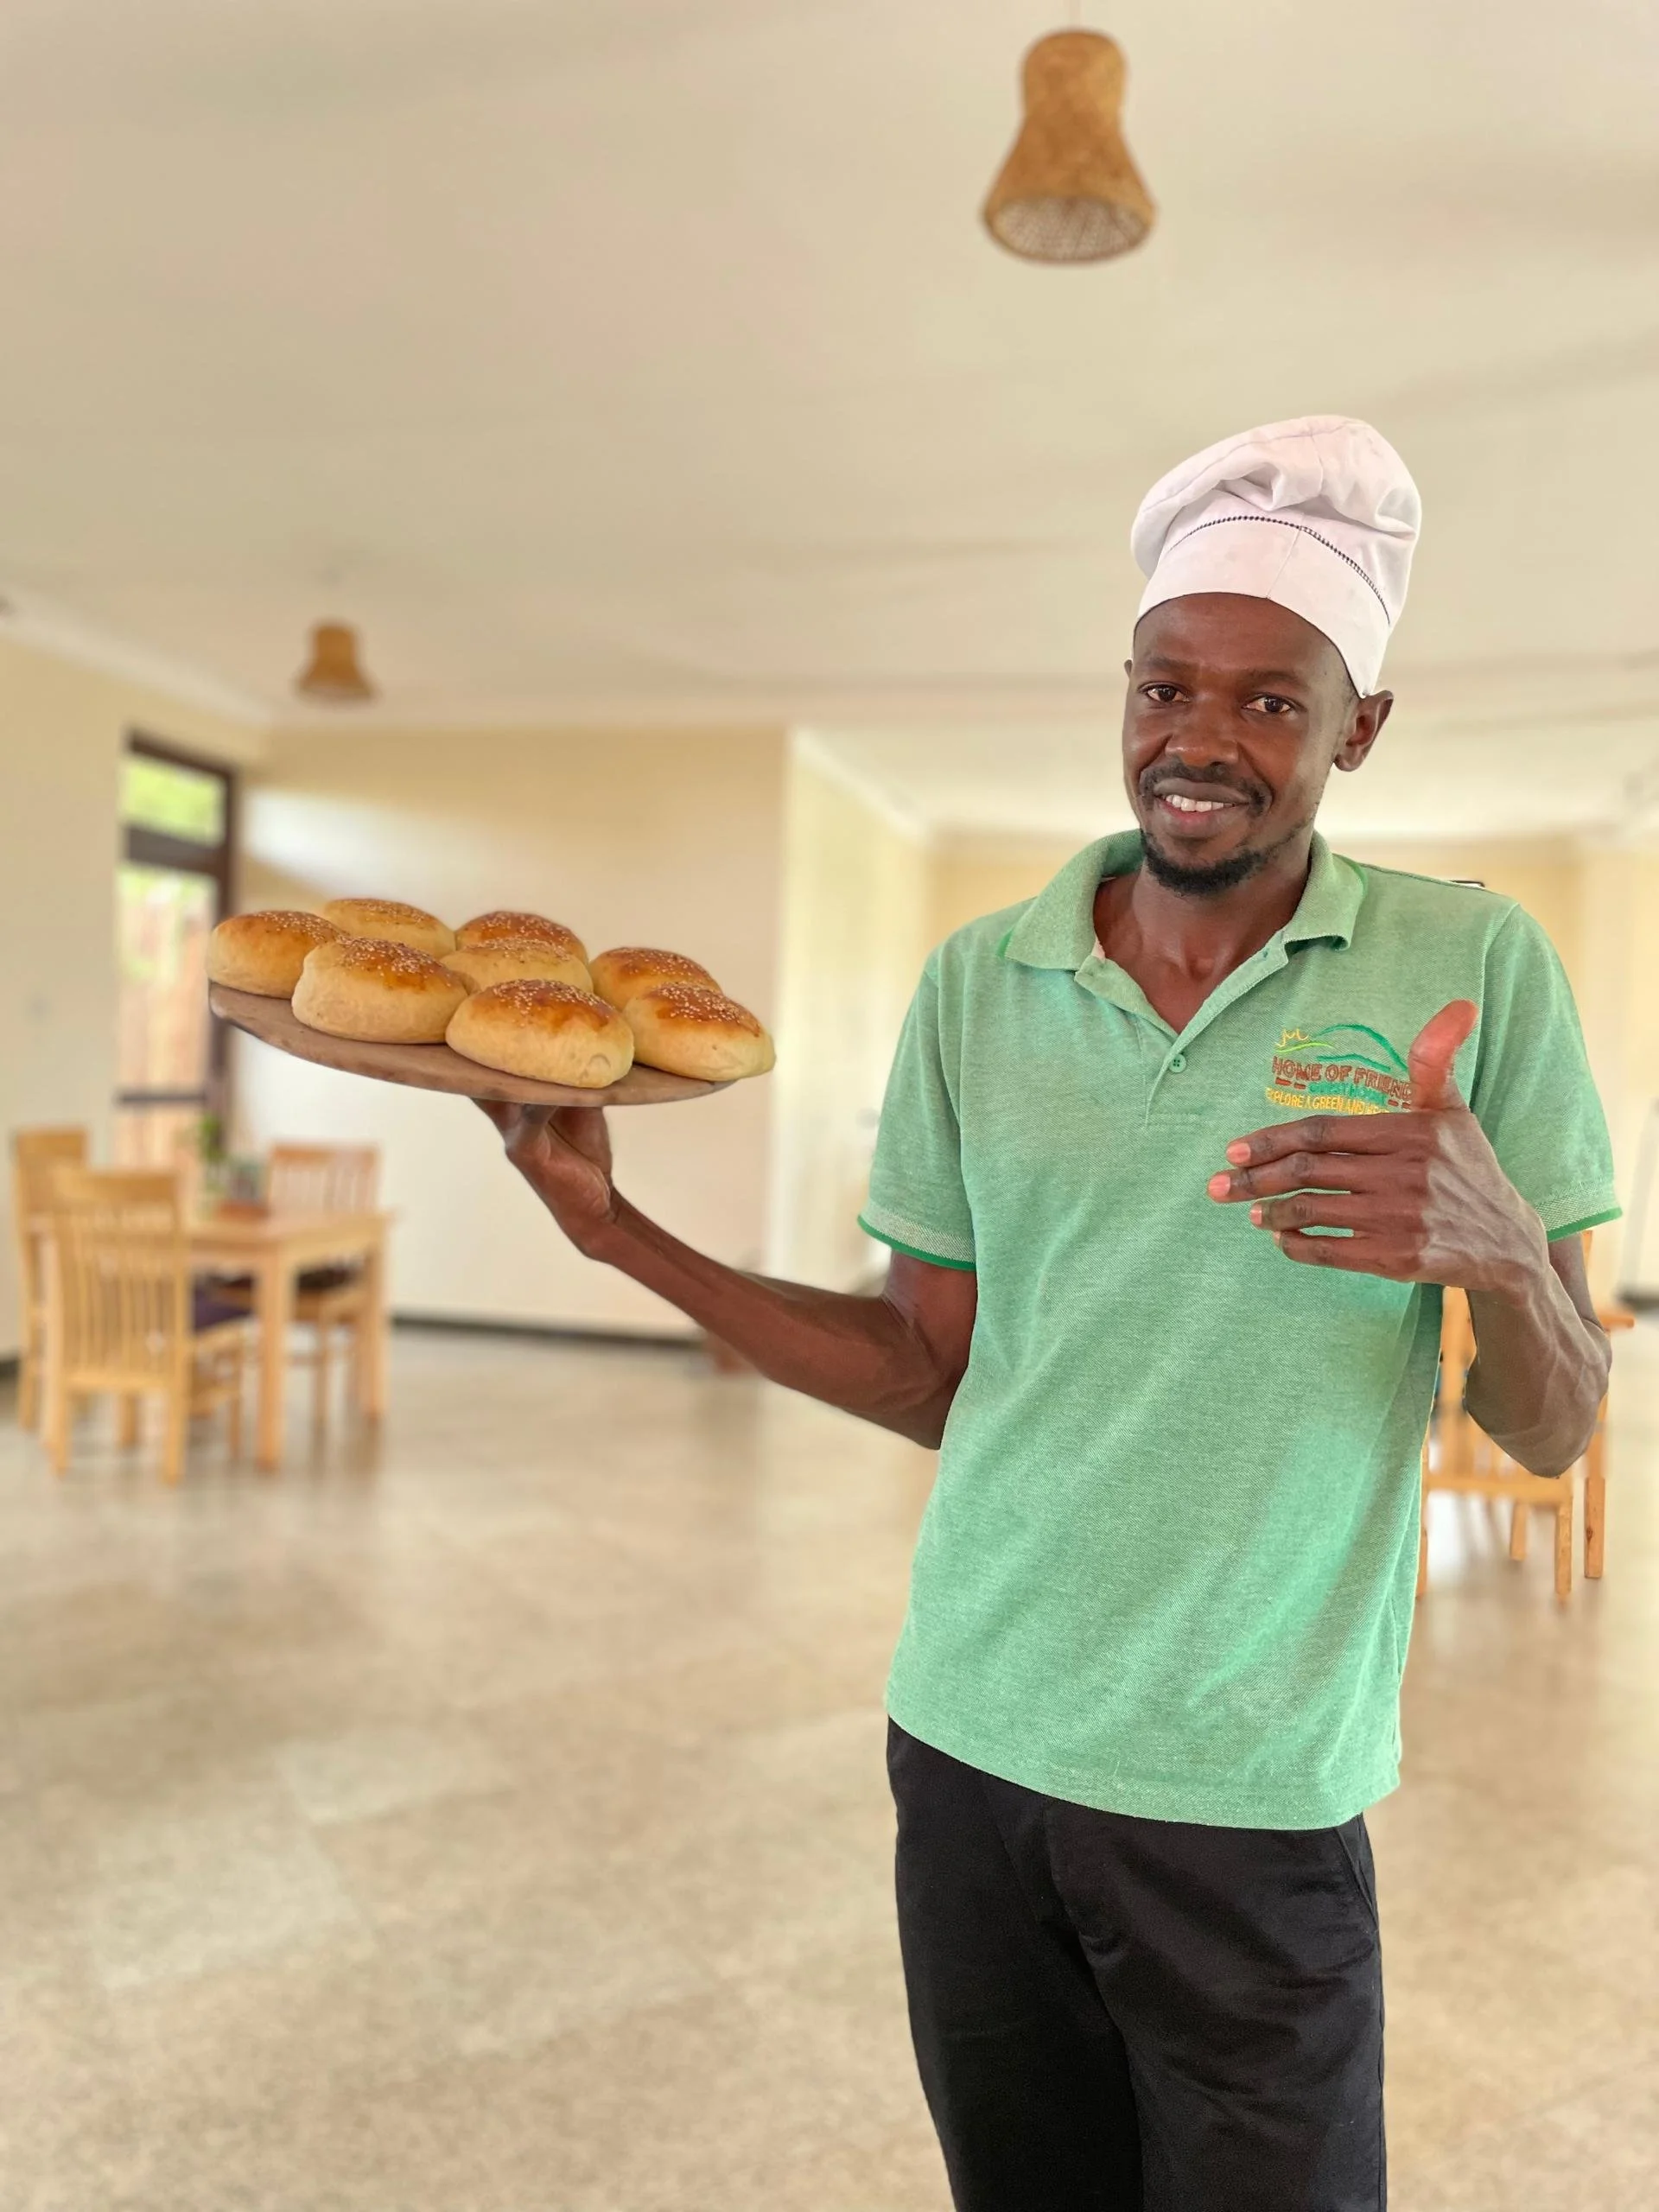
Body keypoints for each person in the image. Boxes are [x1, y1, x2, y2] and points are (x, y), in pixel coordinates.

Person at [479, 416, 1618, 2210]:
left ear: (1358, 729)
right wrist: (622, 1236)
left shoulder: (1472, 965)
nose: (1202, 739)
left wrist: (1500, 1256)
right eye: (1168, 687)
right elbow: (925, 1370)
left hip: (1253, 1786)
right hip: (970, 1743)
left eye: (1270, 700)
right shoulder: (976, 980)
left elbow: (1558, 1426)